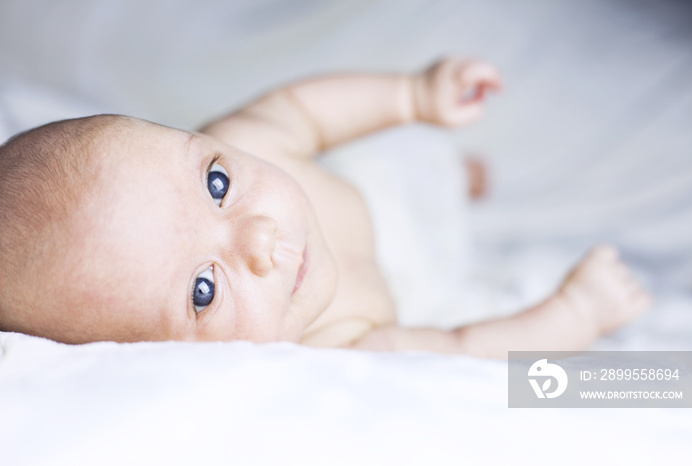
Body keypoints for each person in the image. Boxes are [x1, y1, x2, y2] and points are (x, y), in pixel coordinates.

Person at [0, 58, 651, 358]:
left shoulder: (245, 144)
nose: (259, 236)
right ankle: (455, 189)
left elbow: (301, 113)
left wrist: (412, 95)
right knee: (465, 271)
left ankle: (451, 174)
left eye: (217, 185)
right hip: (425, 265)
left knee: (421, 163)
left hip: (376, 185)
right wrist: (577, 312)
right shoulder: (330, 344)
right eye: (203, 290)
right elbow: (464, 345)